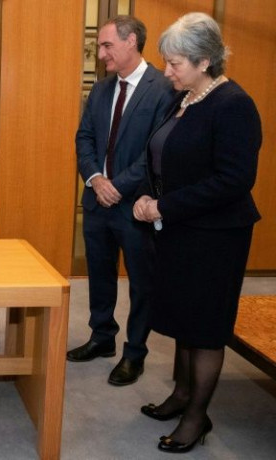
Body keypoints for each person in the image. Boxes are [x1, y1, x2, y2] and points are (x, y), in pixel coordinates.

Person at [133, 12, 261, 453]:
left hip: (216, 236)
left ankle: (196, 417)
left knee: (205, 328)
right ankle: (182, 394)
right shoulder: (184, 97)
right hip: (179, 230)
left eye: (176, 63)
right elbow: (164, 156)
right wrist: (148, 198)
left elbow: (235, 179)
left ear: (205, 60)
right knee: (184, 320)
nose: (166, 71)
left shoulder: (233, 105)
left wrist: (162, 205)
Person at [69, 15, 173, 386]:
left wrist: (118, 186)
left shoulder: (163, 88)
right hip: (98, 201)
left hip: (135, 205)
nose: (101, 53)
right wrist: (97, 179)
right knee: (99, 272)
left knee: (142, 281)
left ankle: (135, 353)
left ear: (131, 43)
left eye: (107, 45)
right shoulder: (100, 89)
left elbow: (157, 152)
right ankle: (102, 337)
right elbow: (84, 139)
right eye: (100, 46)